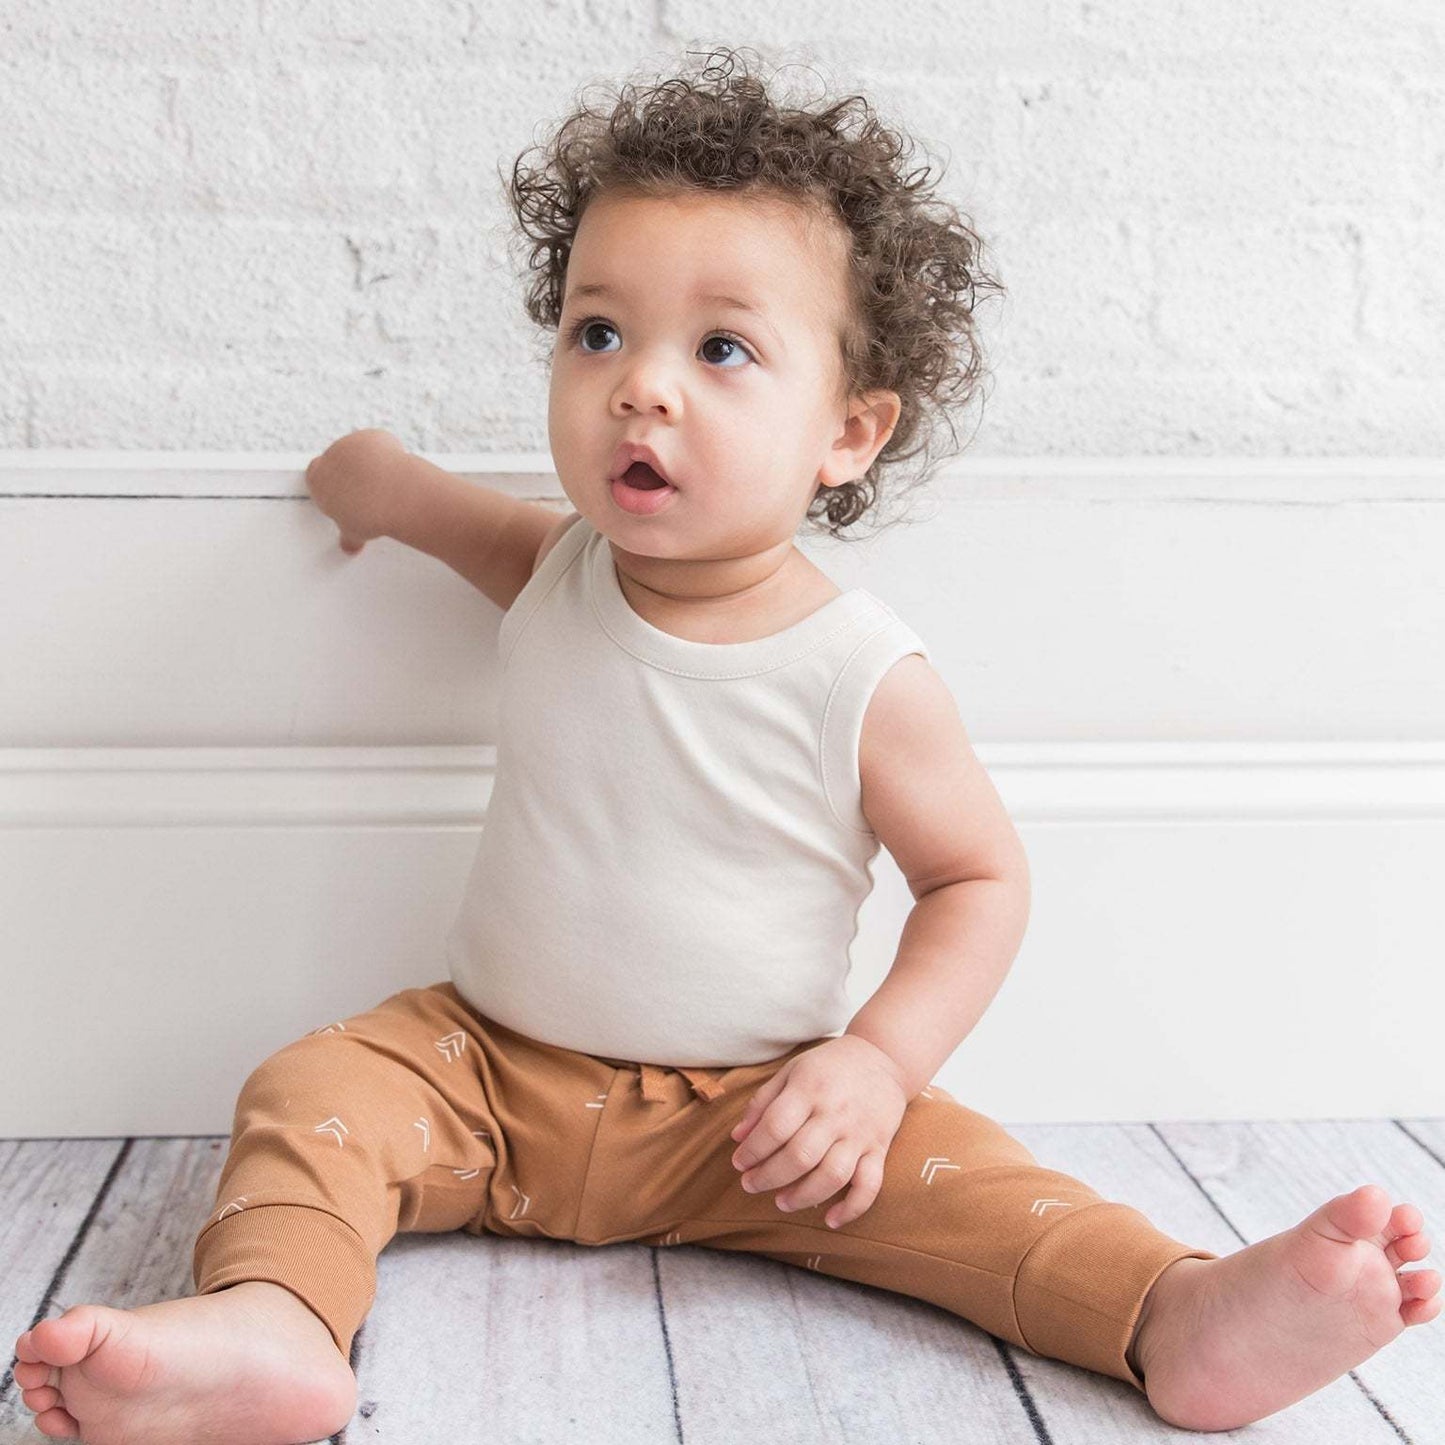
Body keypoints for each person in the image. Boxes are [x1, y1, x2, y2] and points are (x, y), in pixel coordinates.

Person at [12, 44, 1437, 1444]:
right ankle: (276, 1320)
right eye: (597, 332)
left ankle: (1171, 1314)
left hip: (752, 1124)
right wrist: (371, 477)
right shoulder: (560, 565)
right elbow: (446, 515)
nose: (641, 385)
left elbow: (979, 882)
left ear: (847, 430)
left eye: (723, 347)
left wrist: (874, 1065)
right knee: (311, 1090)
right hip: (483, 1073)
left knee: (976, 1183)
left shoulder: (859, 672)